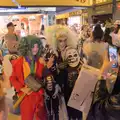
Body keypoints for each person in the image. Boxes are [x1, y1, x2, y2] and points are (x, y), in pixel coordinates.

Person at [10, 35, 49, 120]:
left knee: (41, 117)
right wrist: (21, 88)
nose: (35, 49)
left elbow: (44, 77)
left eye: (37, 47)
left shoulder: (40, 61)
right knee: (27, 117)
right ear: (26, 47)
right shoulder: (18, 63)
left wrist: (45, 66)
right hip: (26, 97)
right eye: (33, 47)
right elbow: (12, 78)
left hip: (38, 95)